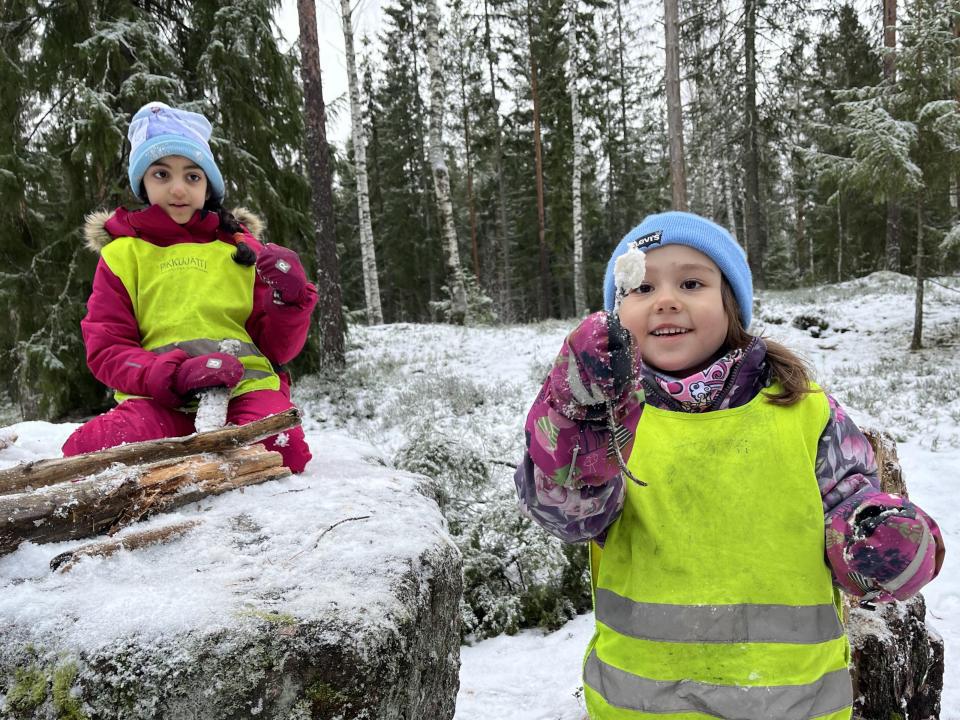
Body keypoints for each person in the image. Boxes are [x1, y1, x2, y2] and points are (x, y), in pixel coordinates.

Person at [515, 211, 945, 720]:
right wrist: (574, 423)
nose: (666, 299)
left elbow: (850, 505)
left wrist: (878, 540)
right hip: (641, 706)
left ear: (731, 303)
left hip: (793, 704)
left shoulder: (803, 410)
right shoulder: (604, 421)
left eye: (691, 282)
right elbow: (568, 515)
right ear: (615, 314)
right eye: (642, 286)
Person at [62, 101, 316, 472]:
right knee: (87, 455)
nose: (178, 189)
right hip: (160, 399)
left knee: (283, 450)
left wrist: (291, 301)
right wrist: (174, 374)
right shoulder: (123, 254)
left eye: (193, 176)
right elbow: (107, 349)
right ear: (143, 182)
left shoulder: (241, 250)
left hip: (245, 391)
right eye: (162, 174)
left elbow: (277, 348)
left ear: (208, 185)